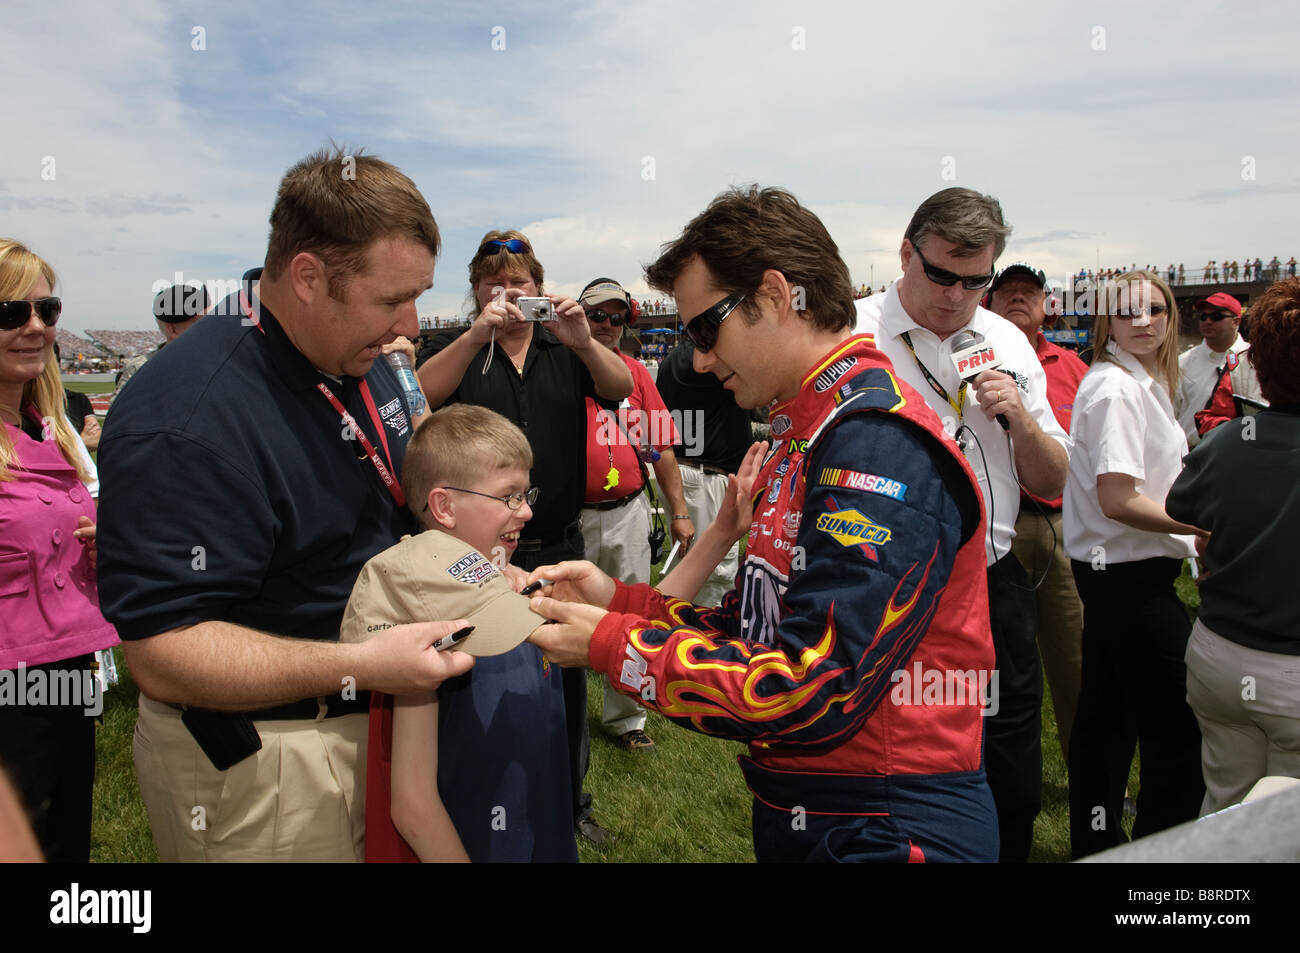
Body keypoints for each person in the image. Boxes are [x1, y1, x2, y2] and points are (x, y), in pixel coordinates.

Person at [528, 185, 998, 863]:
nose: (700, 358)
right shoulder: (806, 430)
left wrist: (612, 644)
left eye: (704, 329)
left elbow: (812, 684)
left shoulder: (873, 443)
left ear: (776, 295)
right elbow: (760, 629)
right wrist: (618, 601)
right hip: (818, 808)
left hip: (888, 824)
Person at [96, 148, 475, 863]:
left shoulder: (358, 354)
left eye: (419, 293)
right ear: (306, 277)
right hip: (270, 765)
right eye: (391, 298)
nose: (412, 323)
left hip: (376, 716)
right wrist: (358, 664)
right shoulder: (187, 416)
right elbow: (163, 650)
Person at [854, 188, 1071, 862]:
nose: (956, 295)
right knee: (880, 746)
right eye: (942, 274)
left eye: (976, 280)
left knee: (1007, 746)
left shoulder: (1006, 340)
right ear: (905, 253)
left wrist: (1020, 418)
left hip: (989, 580)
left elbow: (1053, 477)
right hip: (877, 579)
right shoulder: (852, 333)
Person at [415, 231, 632, 845]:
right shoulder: (461, 348)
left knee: (566, 675)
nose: (509, 296)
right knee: (479, 674)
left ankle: (570, 802)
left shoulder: (565, 347)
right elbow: (422, 396)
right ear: (477, 292)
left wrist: (584, 340)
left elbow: (619, 389)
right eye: (495, 285)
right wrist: (475, 334)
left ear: (541, 290)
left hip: (558, 544)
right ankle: (481, 795)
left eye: (522, 286)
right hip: (477, 555)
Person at [344, 404, 573, 862]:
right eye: (509, 495)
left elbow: (633, 634)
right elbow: (412, 805)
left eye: (527, 493)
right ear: (444, 506)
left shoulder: (521, 583)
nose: (526, 511)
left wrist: (719, 535)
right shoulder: (423, 616)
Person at [1063, 271, 1206, 858]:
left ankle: (1099, 847)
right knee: (1179, 731)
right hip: (1128, 582)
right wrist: (1199, 529)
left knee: (1108, 722)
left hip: (1119, 577)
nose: (1143, 321)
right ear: (1107, 322)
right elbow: (1118, 499)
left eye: (1154, 309)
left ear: (1170, 315)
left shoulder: (1135, 382)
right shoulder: (1117, 389)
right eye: (1128, 312)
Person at [0, 239, 118, 862]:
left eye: (48, 311)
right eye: (10, 314)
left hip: (70, 660)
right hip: (10, 678)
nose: (36, 328)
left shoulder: (46, 427)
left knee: (68, 831)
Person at [1168, 278, 1300, 815]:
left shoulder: (1229, 440)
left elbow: (1185, 507)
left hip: (1220, 657)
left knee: (1227, 811)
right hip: (1285, 669)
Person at [578, 277, 695, 753]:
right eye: (596, 316)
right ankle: (556, 710)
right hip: (571, 514)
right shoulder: (558, 369)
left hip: (627, 510)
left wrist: (680, 512)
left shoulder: (635, 373)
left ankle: (627, 719)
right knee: (557, 610)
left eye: (615, 317)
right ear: (579, 316)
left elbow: (660, 448)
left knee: (628, 615)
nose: (606, 325)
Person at [986, 262, 1088, 761]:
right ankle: (992, 767)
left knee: (1073, 654)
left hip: (1058, 526)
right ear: (989, 300)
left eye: (1030, 292)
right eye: (1007, 291)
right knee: (996, 661)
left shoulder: (1073, 369)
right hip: (992, 532)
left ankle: (1087, 768)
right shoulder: (968, 359)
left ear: (1048, 305)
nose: (1018, 298)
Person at [654, 336, 752, 607]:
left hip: (682, 470)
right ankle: (701, 644)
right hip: (704, 475)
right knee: (713, 575)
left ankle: (679, 634)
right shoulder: (712, 356)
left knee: (690, 571)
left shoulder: (675, 357)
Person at [1174, 292, 1261, 447]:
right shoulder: (1182, 363)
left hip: (1243, 452)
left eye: (1216, 317)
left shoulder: (1257, 360)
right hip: (1192, 455)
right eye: (1203, 317)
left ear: (1236, 321)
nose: (1208, 321)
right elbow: (1170, 414)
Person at [113, 283, 209, 397]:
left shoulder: (219, 362)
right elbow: (122, 412)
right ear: (172, 330)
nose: (208, 326)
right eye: (200, 322)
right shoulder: (140, 369)